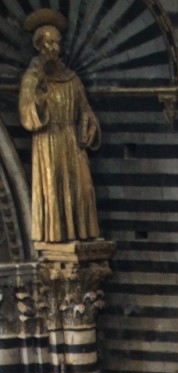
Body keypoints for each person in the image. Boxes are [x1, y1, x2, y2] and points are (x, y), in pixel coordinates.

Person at [19, 10, 100, 243]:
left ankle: (82, 231)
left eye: (57, 43)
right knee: (54, 194)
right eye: (49, 43)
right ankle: (56, 236)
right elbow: (28, 115)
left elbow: (85, 110)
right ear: (39, 47)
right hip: (48, 142)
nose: (54, 48)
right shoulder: (32, 79)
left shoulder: (72, 79)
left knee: (83, 190)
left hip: (72, 141)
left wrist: (90, 125)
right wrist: (41, 93)